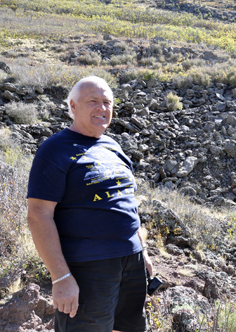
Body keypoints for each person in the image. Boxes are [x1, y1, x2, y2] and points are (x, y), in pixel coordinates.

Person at [26, 76, 153, 332]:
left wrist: (143, 251)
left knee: (128, 328)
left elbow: (126, 201)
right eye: (92, 101)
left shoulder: (112, 146)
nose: (102, 108)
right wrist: (61, 277)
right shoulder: (54, 150)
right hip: (89, 267)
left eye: (107, 102)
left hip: (131, 261)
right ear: (73, 105)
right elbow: (38, 215)